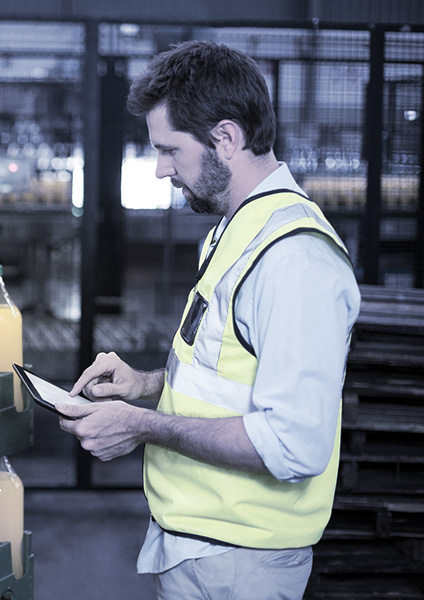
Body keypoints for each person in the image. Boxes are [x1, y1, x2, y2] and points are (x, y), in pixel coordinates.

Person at [57, 40, 361, 599]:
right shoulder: (237, 229)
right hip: (205, 547)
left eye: (170, 150)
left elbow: (292, 445)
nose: (159, 170)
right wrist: (148, 387)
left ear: (226, 138)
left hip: (240, 563)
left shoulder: (292, 259)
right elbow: (231, 379)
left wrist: (142, 426)